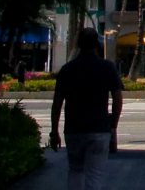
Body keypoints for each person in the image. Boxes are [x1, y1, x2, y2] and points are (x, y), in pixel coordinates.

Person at [50, 28, 123, 190]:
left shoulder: (67, 69)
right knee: (95, 175)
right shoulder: (107, 67)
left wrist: (54, 131)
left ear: (78, 44)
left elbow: (57, 103)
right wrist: (113, 125)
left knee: (75, 170)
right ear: (97, 44)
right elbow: (118, 98)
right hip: (99, 129)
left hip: (74, 129)